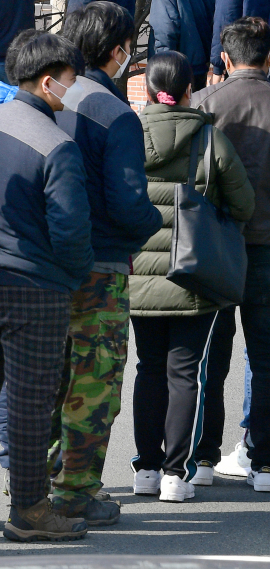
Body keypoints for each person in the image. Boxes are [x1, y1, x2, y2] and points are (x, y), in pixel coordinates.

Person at [0, 32, 93, 542]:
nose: (75, 89)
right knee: (31, 399)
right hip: (35, 285)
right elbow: (70, 230)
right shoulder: (57, 145)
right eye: (71, 80)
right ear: (48, 82)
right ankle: (29, 510)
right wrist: (72, 277)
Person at [50, 3, 162, 523]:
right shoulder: (114, 113)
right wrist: (150, 227)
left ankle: (28, 480)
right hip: (102, 263)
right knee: (94, 380)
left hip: (45, 262)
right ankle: (76, 489)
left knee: (45, 375)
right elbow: (128, 203)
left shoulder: (47, 99)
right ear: (118, 52)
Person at [129, 50, 254, 502]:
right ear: (190, 88)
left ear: (148, 90)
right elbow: (243, 206)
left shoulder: (130, 136)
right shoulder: (210, 139)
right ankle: (174, 475)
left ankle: (144, 467)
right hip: (193, 277)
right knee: (186, 374)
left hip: (139, 273)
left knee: (147, 370)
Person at [192, 16, 270, 492]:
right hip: (267, 250)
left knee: (207, 358)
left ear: (225, 58)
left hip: (214, 247)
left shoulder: (205, 104)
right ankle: (262, 460)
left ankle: (201, 457)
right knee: (265, 358)